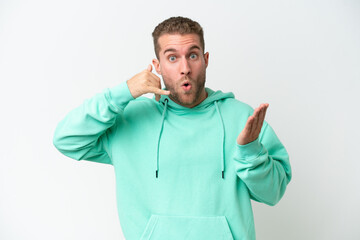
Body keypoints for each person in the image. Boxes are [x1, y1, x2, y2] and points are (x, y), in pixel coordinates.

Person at [53, 16, 292, 240]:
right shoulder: (130, 120)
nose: (185, 68)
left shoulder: (242, 118)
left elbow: (273, 193)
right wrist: (123, 92)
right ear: (157, 65)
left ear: (206, 60)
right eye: (172, 57)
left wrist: (250, 152)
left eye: (193, 55)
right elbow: (66, 139)